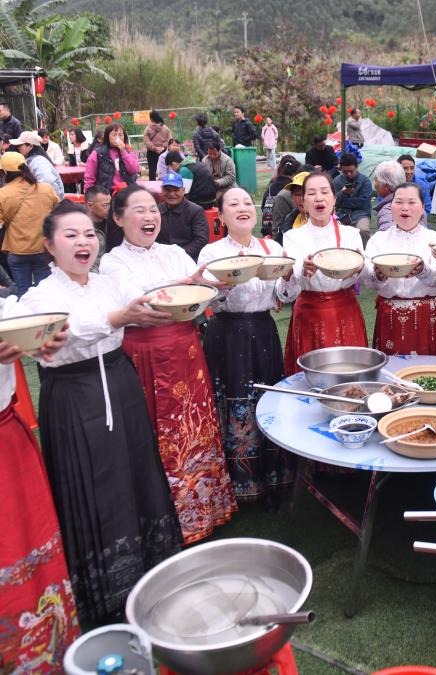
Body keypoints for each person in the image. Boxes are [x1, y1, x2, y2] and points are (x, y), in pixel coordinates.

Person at [16, 200, 183, 623]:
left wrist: (183, 289)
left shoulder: (109, 282)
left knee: (135, 470)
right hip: (74, 396)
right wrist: (118, 317)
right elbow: (65, 330)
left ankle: (150, 568)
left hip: (121, 382)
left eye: (89, 233)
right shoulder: (39, 296)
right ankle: (106, 591)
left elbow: (145, 301)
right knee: (93, 479)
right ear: (48, 245)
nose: (83, 242)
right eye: (71, 235)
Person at [99, 185, 237, 545]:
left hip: (186, 348)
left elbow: (201, 291)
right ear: (118, 218)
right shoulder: (113, 261)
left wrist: (218, 283)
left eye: (153, 210)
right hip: (144, 352)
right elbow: (137, 298)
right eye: (139, 210)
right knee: (156, 429)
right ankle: (165, 515)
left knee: (196, 423)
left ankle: (207, 505)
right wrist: (185, 282)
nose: (150, 216)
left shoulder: (175, 253)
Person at [198, 187, 299, 505]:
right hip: (227, 334)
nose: (242, 208)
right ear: (221, 215)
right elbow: (209, 300)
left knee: (267, 400)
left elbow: (284, 295)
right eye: (233, 204)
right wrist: (222, 286)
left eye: (246, 203)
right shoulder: (211, 253)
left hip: (263, 331)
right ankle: (238, 483)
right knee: (234, 401)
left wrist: (289, 275)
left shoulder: (271, 248)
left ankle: (273, 477)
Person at [0, 300, 79, 671]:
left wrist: (38, 339)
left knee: (26, 547)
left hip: (6, 436)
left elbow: (19, 318)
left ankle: (42, 649)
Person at [282, 171, 367, 370]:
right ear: (303, 201)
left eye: (324, 192)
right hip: (309, 312)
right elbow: (290, 279)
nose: (318, 198)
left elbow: (365, 274)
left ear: (334, 198)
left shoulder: (351, 234)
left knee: (349, 372)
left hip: (345, 309)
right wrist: (300, 269)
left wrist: (361, 267)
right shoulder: (292, 236)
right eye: (311, 193)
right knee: (311, 375)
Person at [364, 183, 436, 355]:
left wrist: (422, 271)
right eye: (399, 202)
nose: (405, 208)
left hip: (428, 316)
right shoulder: (378, 239)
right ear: (391, 206)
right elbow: (369, 280)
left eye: (411, 202)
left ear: (422, 207)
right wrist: (379, 275)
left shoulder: (435, 239)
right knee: (393, 368)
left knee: (430, 367)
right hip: (390, 316)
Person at [0, 152, 58, 296]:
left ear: (5, 172)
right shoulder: (46, 189)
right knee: (45, 293)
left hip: (17, 250)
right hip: (44, 249)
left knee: (23, 293)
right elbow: (58, 213)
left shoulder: (2, 194)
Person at [156, 170, 209, 260]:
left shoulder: (195, 211)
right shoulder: (157, 210)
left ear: (183, 190)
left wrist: (179, 255)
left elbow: (201, 240)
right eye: (167, 190)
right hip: (161, 258)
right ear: (162, 190)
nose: (171, 194)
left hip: (187, 258)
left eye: (176, 190)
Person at [83, 123, 138, 193]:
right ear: (107, 137)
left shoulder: (128, 151)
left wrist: (123, 151)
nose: (117, 138)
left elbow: (133, 170)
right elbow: (89, 177)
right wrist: (88, 194)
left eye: (120, 135)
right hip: (106, 193)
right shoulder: (98, 153)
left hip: (126, 192)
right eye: (114, 135)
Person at [333, 153, 373, 239]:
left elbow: (364, 203)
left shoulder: (365, 181)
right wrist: (342, 193)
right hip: (341, 215)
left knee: (363, 230)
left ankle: (366, 248)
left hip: (361, 214)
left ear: (357, 167)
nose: (349, 174)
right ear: (341, 169)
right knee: (335, 232)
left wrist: (342, 202)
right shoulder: (336, 181)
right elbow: (333, 201)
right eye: (345, 171)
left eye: (351, 171)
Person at [14, 131, 64, 199]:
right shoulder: (34, 159)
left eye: (20, 145)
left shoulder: (38, 161)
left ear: (30, 146)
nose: (18, 148)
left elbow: (48, 183)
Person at [261, 155, 301, 237]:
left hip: (266, 229)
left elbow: (263, 207)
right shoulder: (291, 189)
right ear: (297, 174)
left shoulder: (271, 185)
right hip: (281, 233)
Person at [274, 171, 309, 244]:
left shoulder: (328, 222)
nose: (302, 198)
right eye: (297, 194)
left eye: (307, 193)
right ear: (292, 198)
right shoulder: (288, 220)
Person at [372, 160, 407, 232]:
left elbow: (387, 233)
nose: (374, 184)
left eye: (375, 180)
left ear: (385, 186)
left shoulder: (387, 211)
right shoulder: (415, 202)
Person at [143, 110, 170, 181]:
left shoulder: (148, 128)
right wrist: (163, 146)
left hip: (151, 152)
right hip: (163, 151)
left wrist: (154, 148)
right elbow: (169, 139)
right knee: (165, 168)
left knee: (152, 170)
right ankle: (166, 183)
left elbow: (146, 139)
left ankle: (152, 185)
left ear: (151, 118)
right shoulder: (166, 128)